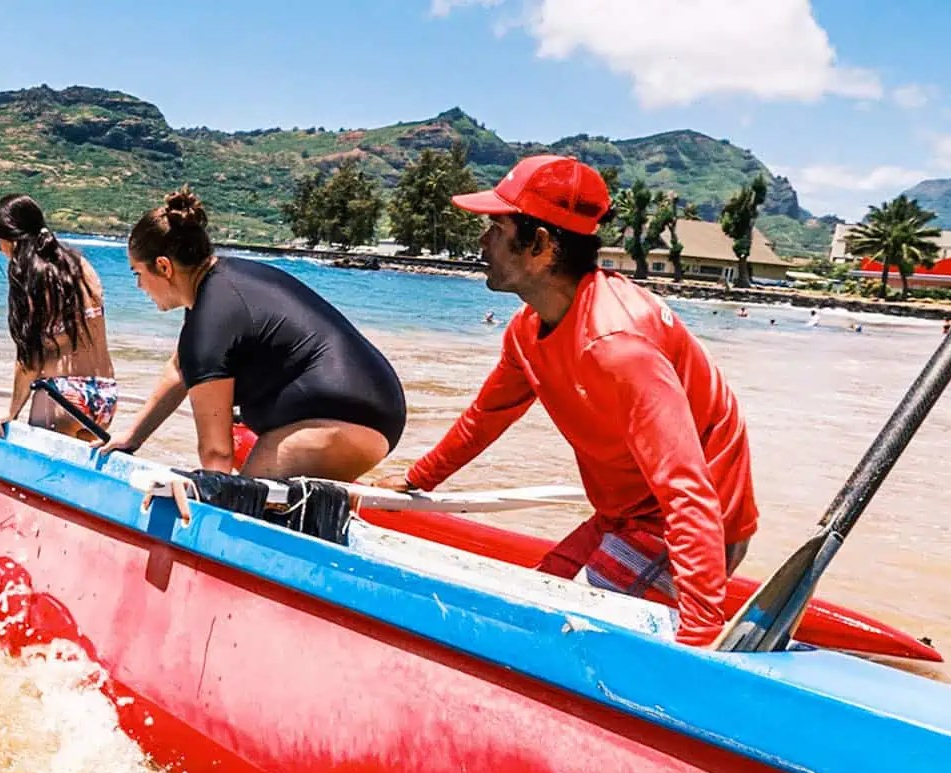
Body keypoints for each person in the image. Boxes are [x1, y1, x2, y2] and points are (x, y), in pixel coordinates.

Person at [375, 155, 757, 648]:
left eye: (496, 227)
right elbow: (485, 419)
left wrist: (701, 639)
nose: (482, 241)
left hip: (685, 530)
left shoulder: (619, 344)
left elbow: (688, 491)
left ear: (539, 245)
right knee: (540, 587)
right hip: (624, 515)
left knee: (545, 639)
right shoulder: (528, 330)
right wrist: (411, 483)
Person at [101, 188, 406, 481]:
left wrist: (209, 503)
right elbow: (180, 369)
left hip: (338, 427)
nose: (139, 286)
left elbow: (217, 455)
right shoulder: (225, 282)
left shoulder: (209, 322)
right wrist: (132, 438)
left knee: (243, 502)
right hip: (377, 413)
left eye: (137, 273)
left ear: (164, 267)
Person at [0, 194, 117, 441]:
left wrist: (11, 412)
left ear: (12, 238)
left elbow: (30, 359)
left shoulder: (32, 274)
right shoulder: (79, 263)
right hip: (104, 396)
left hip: (62, 397)